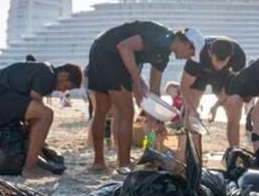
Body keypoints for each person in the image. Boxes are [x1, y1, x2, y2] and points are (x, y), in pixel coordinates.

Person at [86, 21, 202, 171]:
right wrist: (136, 78)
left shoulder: (163, 56)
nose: (189, 57)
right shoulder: (159, 36)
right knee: (126, 112)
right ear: (186, 43)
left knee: (102, 109)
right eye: (191, 53)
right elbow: (124, 47)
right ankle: (124, 164)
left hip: (99, 48)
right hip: (111, 54)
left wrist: (157, 118)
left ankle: (99, 162)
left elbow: (154, 90)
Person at [0, 61, 82, 178]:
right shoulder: (47, 76)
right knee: (46, 114)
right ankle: (30, 167)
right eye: (67, 87)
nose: (63, 91)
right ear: (64, 76)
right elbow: (37, 115)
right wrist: (38, 143)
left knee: (18, 136)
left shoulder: (45, 71)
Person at [179, 37, 246, 146]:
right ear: (210, 53)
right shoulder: (197, 53)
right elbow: (184, 86)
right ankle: (190, 150)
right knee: (190, 112)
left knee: (235, 105)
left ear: (230, 57)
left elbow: (232, 85)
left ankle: (234, 150)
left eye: (223, 62)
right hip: (200, 73)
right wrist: (192, 109)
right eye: (217, 61)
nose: (219, 66)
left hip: (224, 77)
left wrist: (216, 106)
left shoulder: (238, 56)